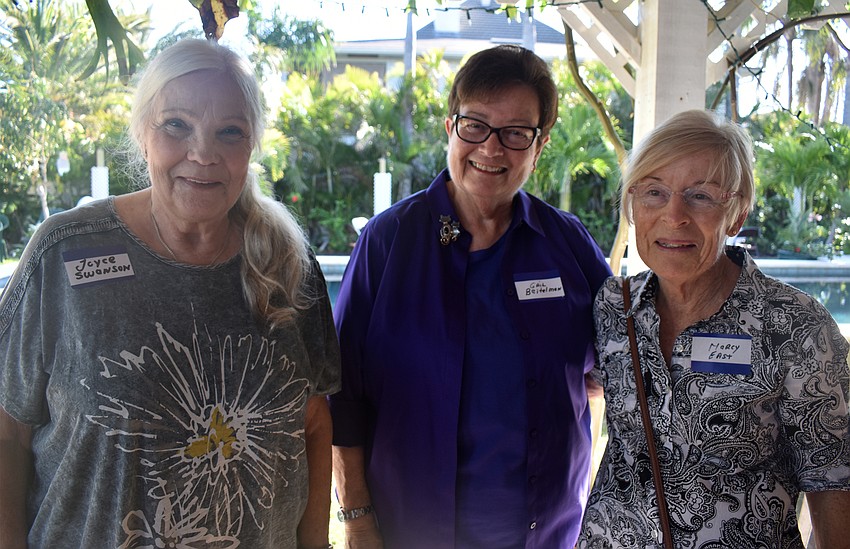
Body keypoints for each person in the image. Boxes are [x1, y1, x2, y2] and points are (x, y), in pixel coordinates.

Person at [0, 38, 340, 548]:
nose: (202, 154)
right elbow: (8, 431)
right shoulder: (64, 252)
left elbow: (313, 426)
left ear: (251, 147)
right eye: (176, 125)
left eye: (229, 132)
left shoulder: (286, 264)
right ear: (142, 134)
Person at [329, 44, 612, 549]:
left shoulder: (567, 244)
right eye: (475, 125)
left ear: (540, 144)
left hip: (546, 534)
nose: (491, 148)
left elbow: (614, 365)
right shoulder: (388, 243)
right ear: (450, 127)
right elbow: (342, 397)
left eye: (516, 133)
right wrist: (355, 518)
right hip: (409, 532)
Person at [578, 109, 850, 549]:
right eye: (653, 192)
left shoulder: (795, 326)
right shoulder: (614, 306)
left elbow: (834, 478)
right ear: (632, 206)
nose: (674, 215)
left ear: (737, 214)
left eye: (701, 196)